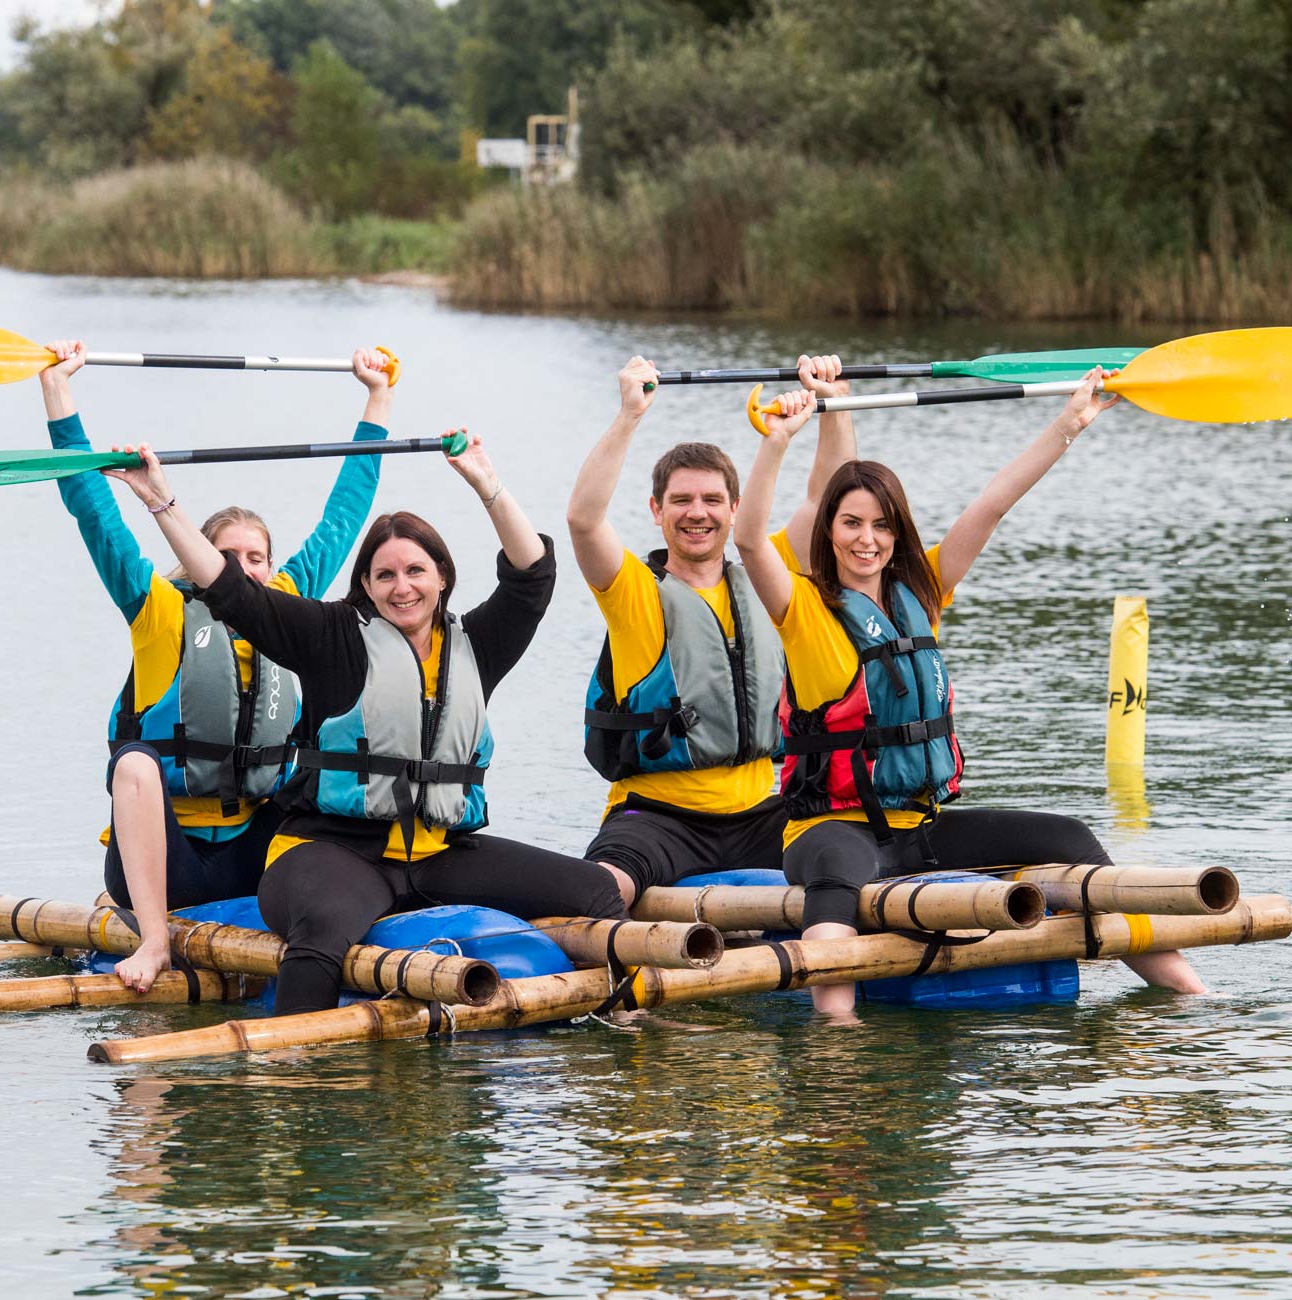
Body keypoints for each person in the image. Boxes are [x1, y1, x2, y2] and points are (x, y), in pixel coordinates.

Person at [735, 369, 1209, 1019]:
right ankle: (836, 1031)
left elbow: (991, 505)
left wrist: (1068, 425)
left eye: (881, 525)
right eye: (851, 523)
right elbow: (747, 539)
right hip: (830, 829)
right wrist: (779, 441)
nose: (866, 539)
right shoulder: (803, 607)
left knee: (1069, 837)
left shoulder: (923, 591)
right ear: (830, 531)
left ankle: (1189, 990)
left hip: (920, 828)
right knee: (838, 873)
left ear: (898, 533)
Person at [103, 431, 628, 1016]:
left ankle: (626, 1020)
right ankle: (299, 1062)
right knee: (323, 930)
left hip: (439, 851)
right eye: (385, 575)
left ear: (442, 577)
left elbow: (533, 575)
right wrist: (161, 502)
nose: (402, 587)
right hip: (330, 852)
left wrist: (488, 486)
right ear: (367, 587)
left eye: (415, 570)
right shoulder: (331, 638)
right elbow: (232, 592)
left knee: (596, 890)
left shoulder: (477, 646)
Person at [40, 340, 395, 993]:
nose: (244, 568)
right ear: (199, 556)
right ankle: (153, 942)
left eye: (257, 558)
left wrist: (377, 399)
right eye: (227, 555)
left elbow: (344, 515)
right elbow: (94, 512)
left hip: (254, 854)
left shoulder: (289, 604)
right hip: (166, 864)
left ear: (272, 567)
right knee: (135, 763)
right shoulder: (159, 610)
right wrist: (59, 392)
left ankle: (359, 911)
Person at [565, 353, 853, 907]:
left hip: (762, 813)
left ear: (735, 508)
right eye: (681, 501)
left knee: (849, 861)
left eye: (712, 500)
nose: (697, 513)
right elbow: (583, 519)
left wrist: (833, 405)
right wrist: (630, 416)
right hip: (656, 819)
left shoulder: (771, 574)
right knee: (602, 891)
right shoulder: (632, 591)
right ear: (656, 510)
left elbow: (827, 501)